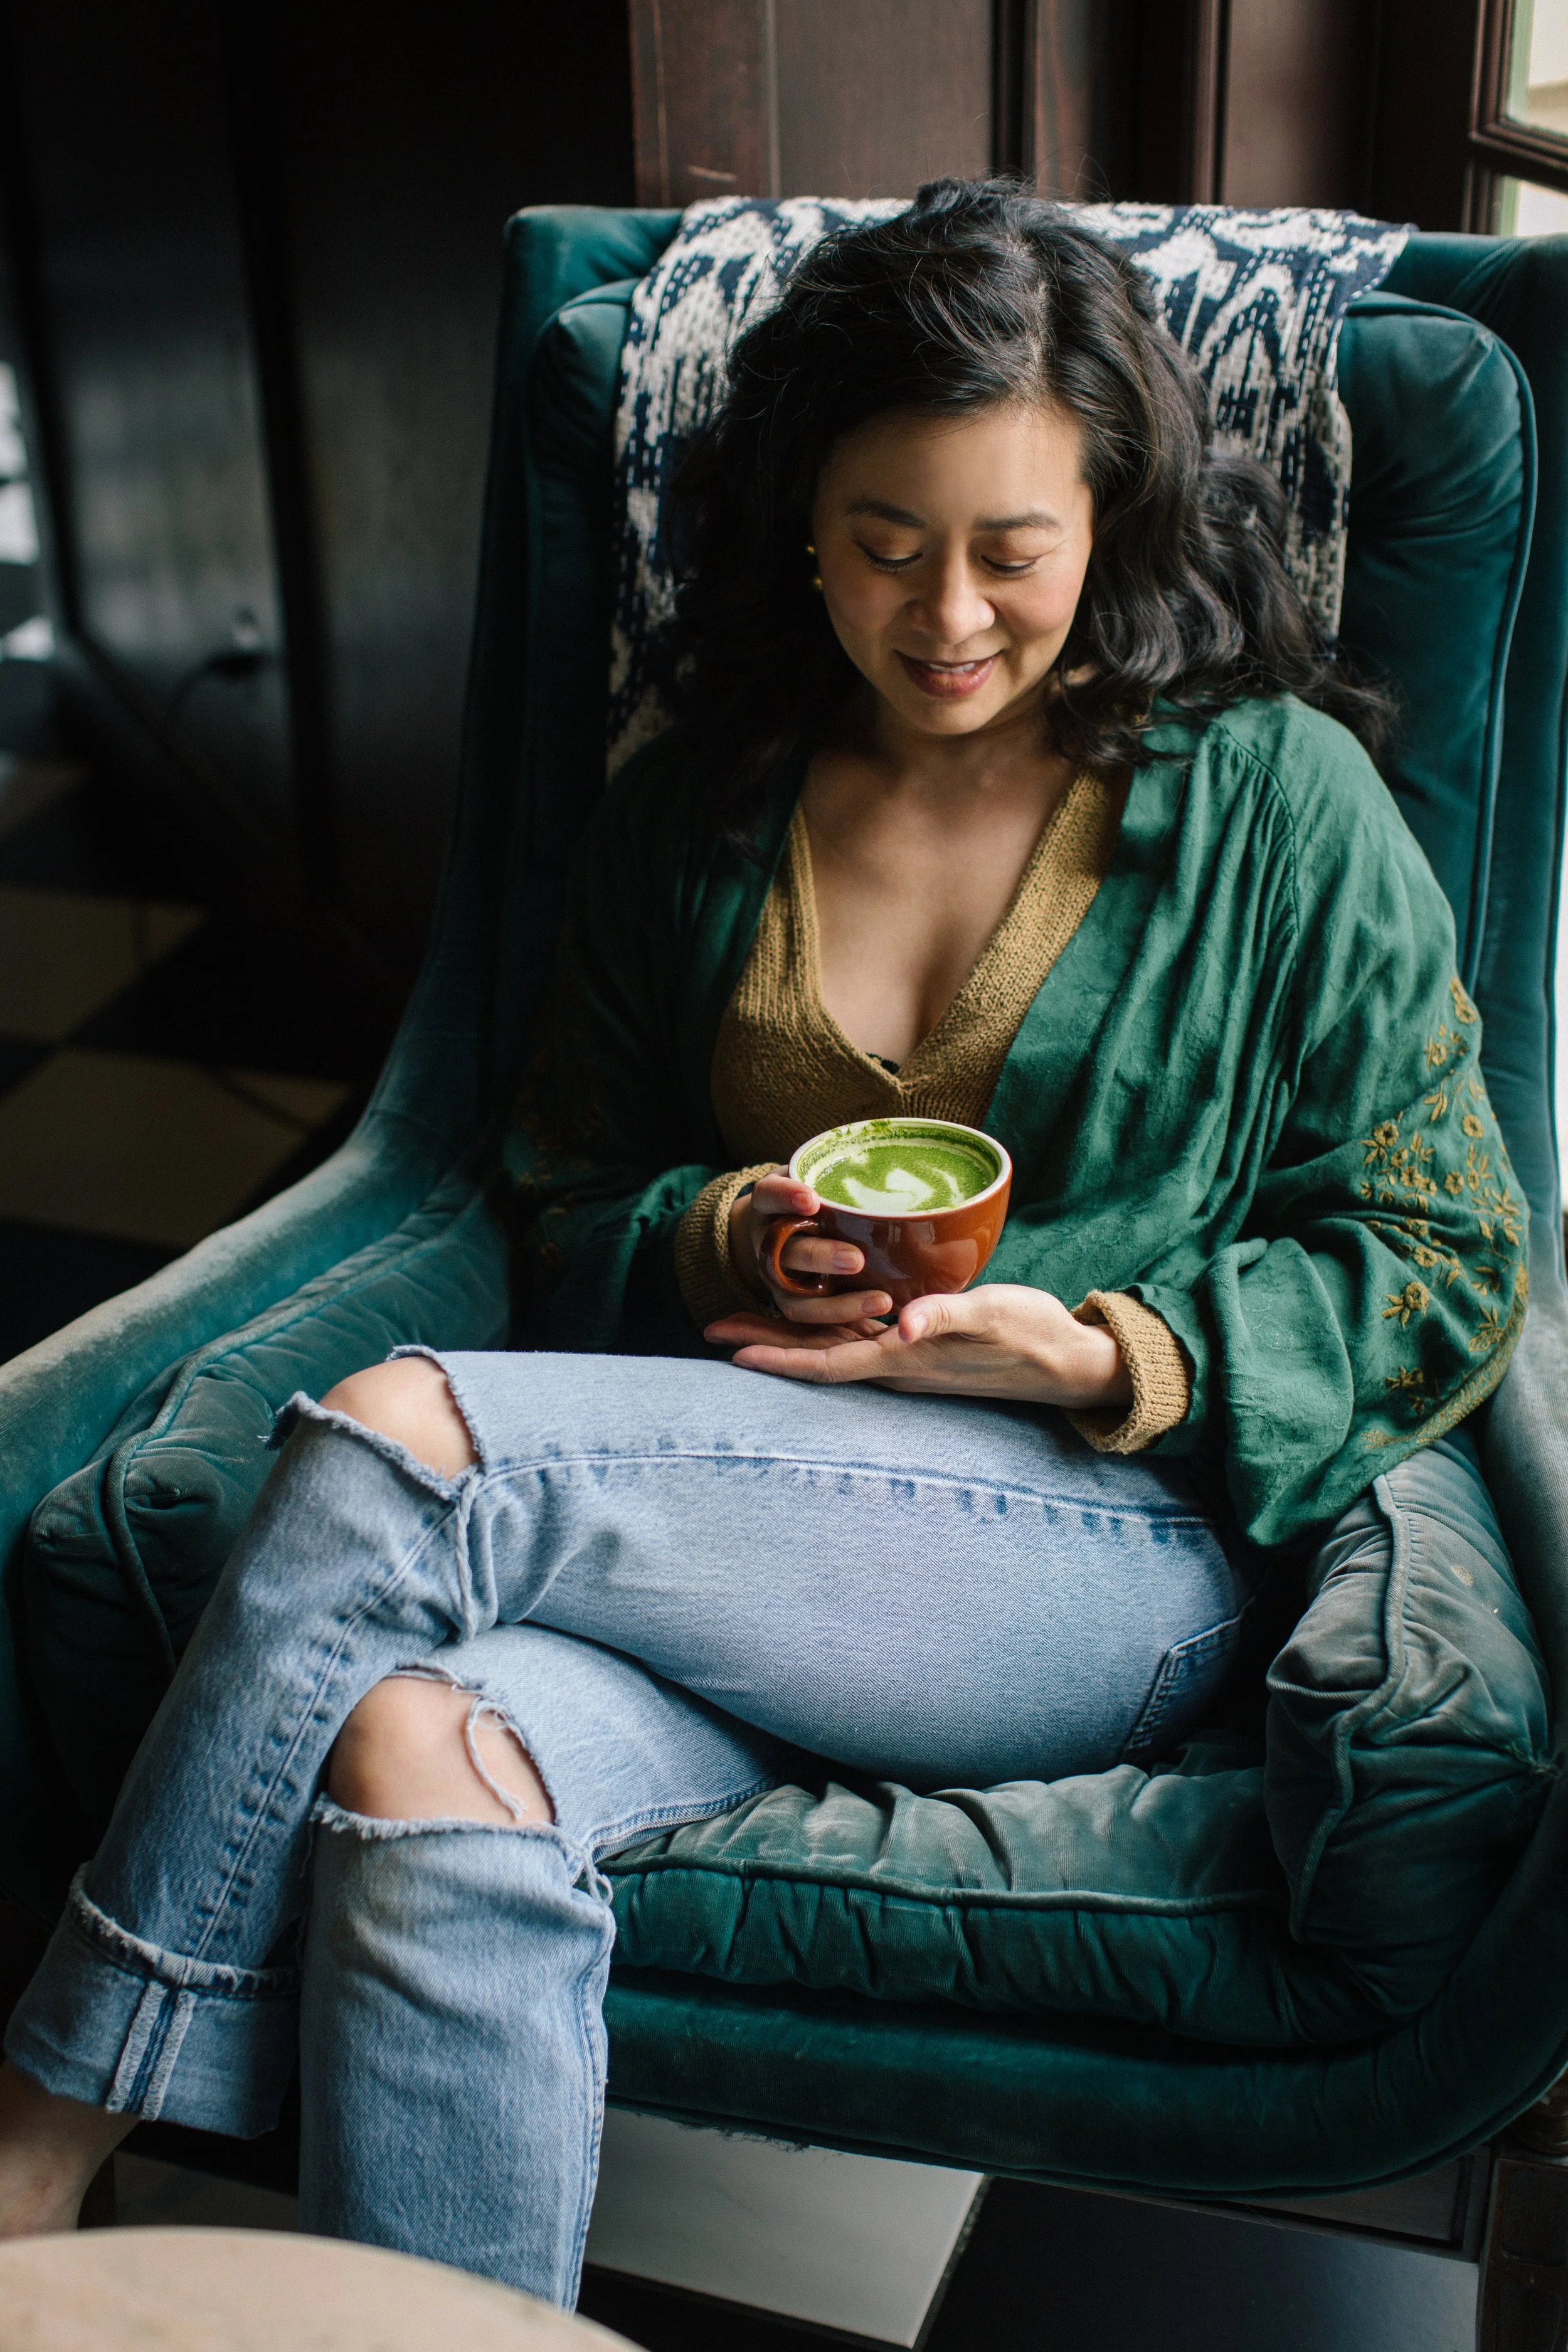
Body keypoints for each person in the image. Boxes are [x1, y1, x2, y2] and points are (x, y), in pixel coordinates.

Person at [0, 181, 1527, 2302]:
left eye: (1015, 549)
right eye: (888, 544)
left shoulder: (1268, 802)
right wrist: (719, 1232)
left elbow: (1447, 1245)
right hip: (734, 1541)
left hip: (1096, 1554)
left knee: (388, 1441)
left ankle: (48, 2122)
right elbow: (554, 1178)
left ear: (1111, 524)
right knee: (418, 1753)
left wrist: (1102, 1353)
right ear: (800, 525)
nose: (952, 615)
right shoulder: (698, 799)